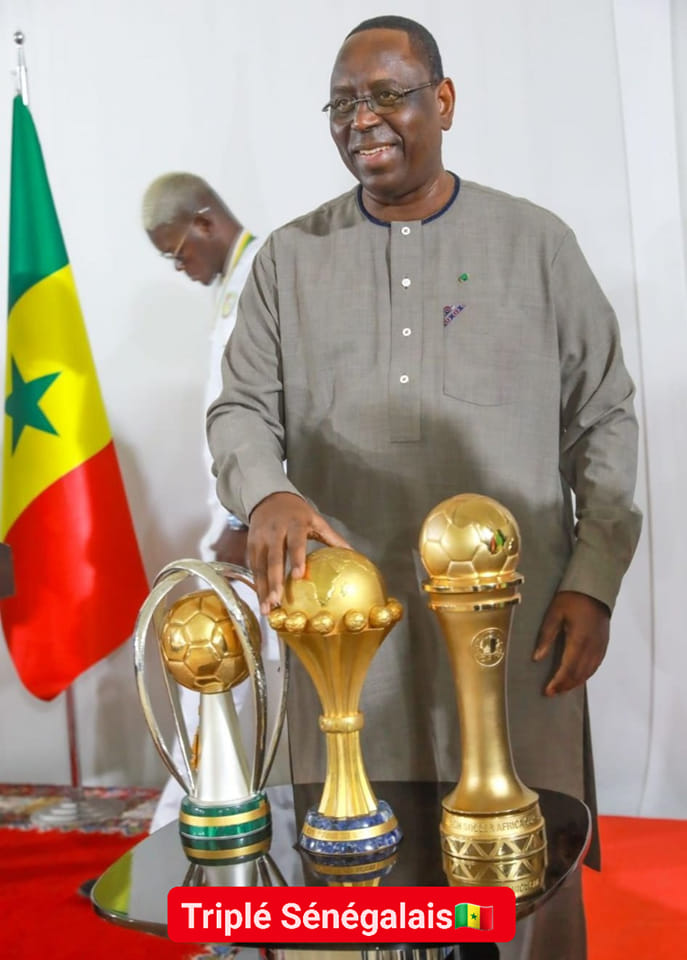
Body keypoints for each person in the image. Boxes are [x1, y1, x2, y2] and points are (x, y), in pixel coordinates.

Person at [206, 16, 641, 958]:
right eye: (343, 103)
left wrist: (591, 579)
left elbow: (602, 415)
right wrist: (265, 494)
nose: (364, 118)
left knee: (522, 871)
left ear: (442, 102)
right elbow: (238, 408)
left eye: (388, 94)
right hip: (347, 632)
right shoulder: (289, 258)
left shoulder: (534, 244)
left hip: (518, 627)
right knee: (355, 876)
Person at [141, 173, 286, 831]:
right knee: (214, 674)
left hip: (254, 520)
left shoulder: (265, 272)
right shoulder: (234, 282)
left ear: (203, 221)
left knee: (212, 670)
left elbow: (275, 411)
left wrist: (239, 516)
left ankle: (180, 838)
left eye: (177, 252)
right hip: (234, 516)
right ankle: (193, 835)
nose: (180, 268)